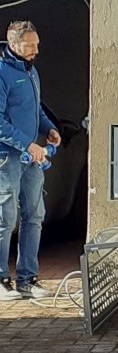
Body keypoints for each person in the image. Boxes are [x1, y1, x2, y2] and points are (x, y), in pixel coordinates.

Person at [0, 18, 60, 301]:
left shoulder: (30, 70)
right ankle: (1, 281)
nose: (36, 49)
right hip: (7, 158)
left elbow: (34, 109)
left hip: (31, 157)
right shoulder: (2, 72)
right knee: (5, 217)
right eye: (30, 44)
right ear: (13, 44)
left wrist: (48, 129)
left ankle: (27, 280)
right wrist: (27, 144)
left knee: (34, 215)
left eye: (37, 44)